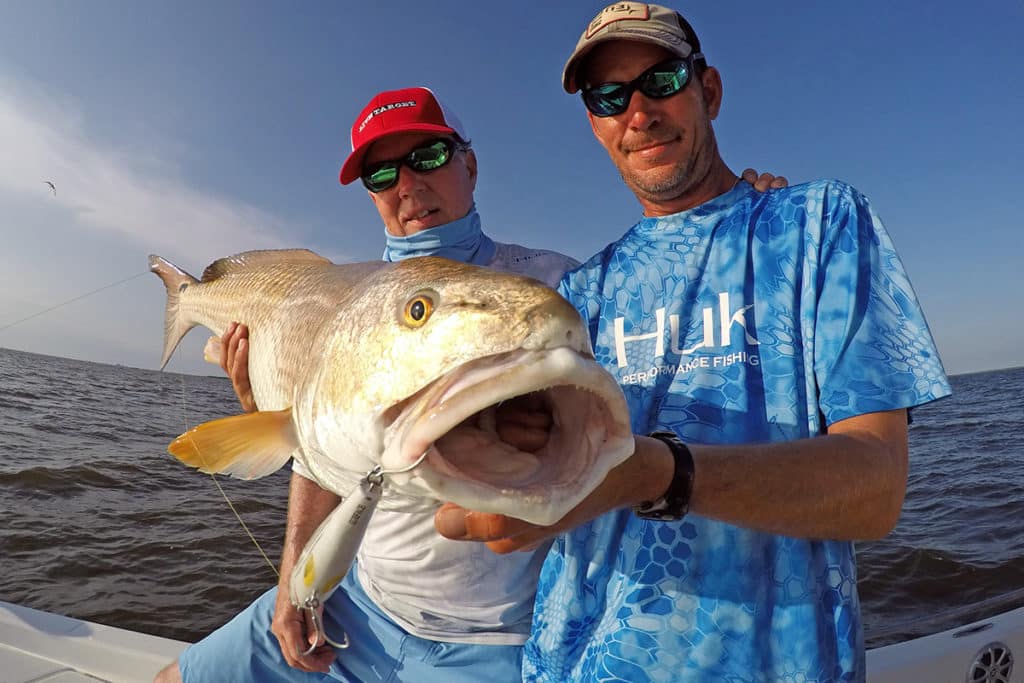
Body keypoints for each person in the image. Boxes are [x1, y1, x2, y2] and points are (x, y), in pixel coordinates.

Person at [152, 83, 785, 683]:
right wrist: (296, 586)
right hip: (353, 603)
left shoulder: (565, 282)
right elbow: (318, 458)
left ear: (470, 166)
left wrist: (734, 216)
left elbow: (677, 335)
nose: (408, 184)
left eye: (427, 155)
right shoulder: (343, 299)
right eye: (381, 173)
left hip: (496, 643)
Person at [434, 4, 953, 682]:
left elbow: (876, 487)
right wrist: (501, 457)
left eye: (662, 80)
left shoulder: (821, 224)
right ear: (595, 124)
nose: (639, 112)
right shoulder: (578, 296)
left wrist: (660, 472)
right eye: (609, 97)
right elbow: (473, 498)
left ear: (707, 90)